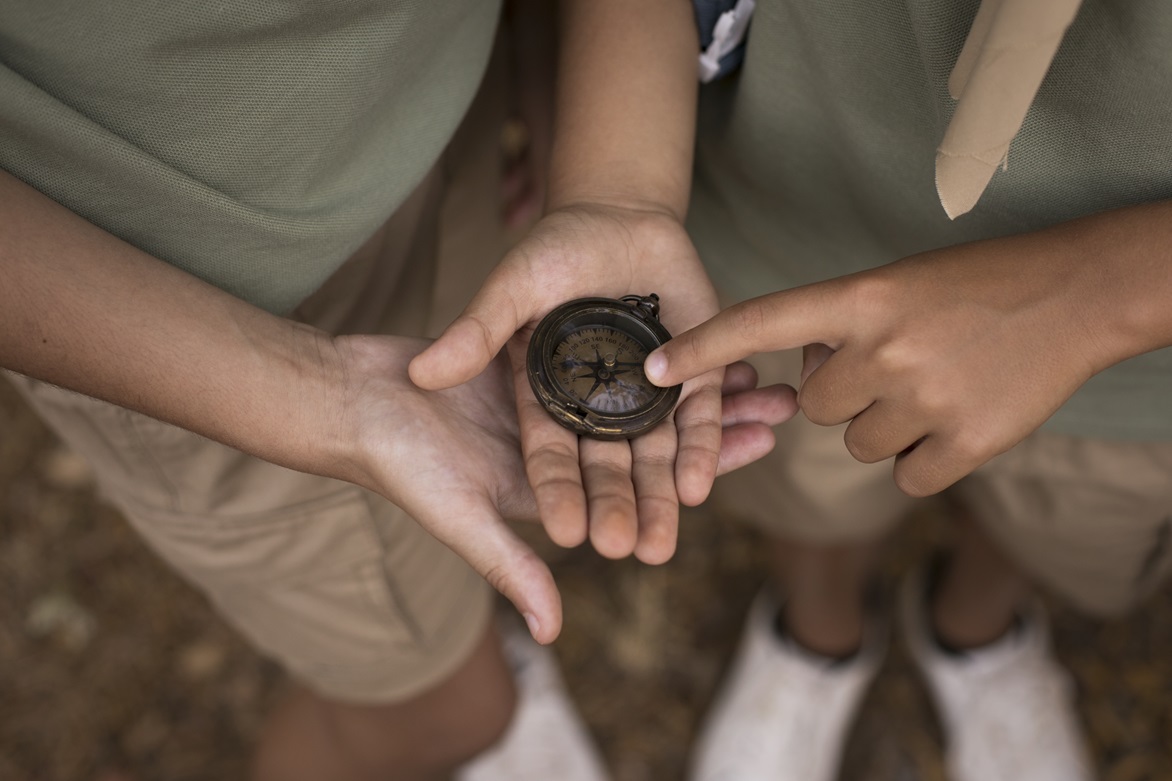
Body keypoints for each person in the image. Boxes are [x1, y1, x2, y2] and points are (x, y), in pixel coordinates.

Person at [0, 2, 796, 780]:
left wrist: (601, 154)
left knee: (512, 479)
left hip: (460, 119)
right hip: (188, 314)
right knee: (443, 709)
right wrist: (321, 398)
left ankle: (471, 633)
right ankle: (466, 675)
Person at [413, 1, 1172, 780]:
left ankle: (981, 627)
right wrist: (617, 189)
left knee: (1063, 518)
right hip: (787, 265)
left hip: (1137, 358)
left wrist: (1100, 299)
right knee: (812, 489)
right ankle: (819, 633)